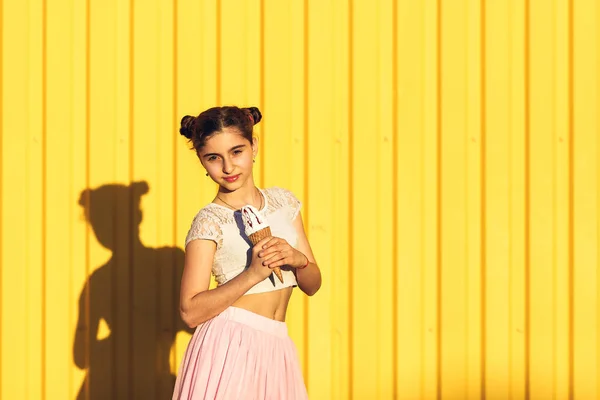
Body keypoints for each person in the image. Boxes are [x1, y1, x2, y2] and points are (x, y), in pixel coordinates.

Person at [172, 106, 322, 399]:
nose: (228, 167)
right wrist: (253, 273)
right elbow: (190, 312)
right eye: (214, 158)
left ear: (254, 146)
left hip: (278, 347)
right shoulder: (210, 220)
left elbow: (313, 284)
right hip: (229, 347)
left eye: (236, 151)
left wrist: (298, 259)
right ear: (202, 161)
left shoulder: (283, 203)